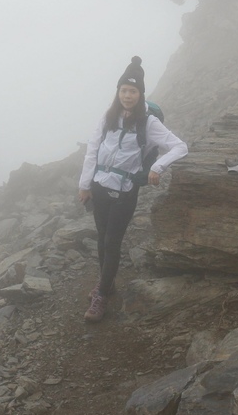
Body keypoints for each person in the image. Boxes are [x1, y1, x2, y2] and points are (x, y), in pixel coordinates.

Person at [78, 56, 188, 322]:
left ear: (140, 94)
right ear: (118, 92)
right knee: (102, 240)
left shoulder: (148, 123)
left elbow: (180, 146)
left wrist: (157, 167)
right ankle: (108, 283)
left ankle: (101, 295)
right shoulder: (108, 117)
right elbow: (93, 149)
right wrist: (84, 185)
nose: (127, 96)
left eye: (133, 91)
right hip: (100, 187)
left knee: (112, 242)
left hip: (125, 191)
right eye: (124, 90)